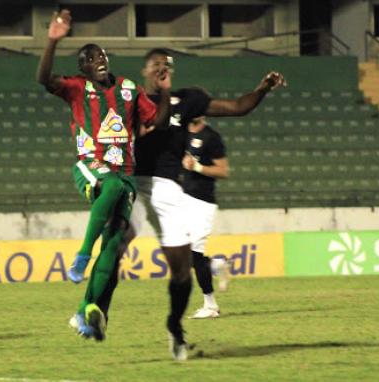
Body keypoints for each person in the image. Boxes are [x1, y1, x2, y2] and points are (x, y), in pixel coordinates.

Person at [91, 49, 286, 360]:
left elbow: (237, 107)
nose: (160, 69)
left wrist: (261, 89)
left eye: (165, 65)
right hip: (137, 185)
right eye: (155, 64)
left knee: (182, 271)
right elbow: (148, 128)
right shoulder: (132, 100)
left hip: (169, 190)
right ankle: (98, 310)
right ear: (145, 70)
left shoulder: (189, 99)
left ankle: (175, 329)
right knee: (115, 243)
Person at [36, 10, 171, 341]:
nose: (99, 59)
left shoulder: (128, 88)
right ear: (82, 67)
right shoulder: (77, 88)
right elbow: (44, 79)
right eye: (90, 58)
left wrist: (165, 90)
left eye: (101, 55)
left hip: (126, 173)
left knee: (113, 245)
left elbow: (157, 123)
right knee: (108, 186)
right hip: (90, 165)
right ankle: (82, 255)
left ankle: (85, 312)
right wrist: (53, 40)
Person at [181, 116, 229, 319]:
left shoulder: (211, 137)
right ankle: (215, 265)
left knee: (193, 252)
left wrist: (198, 167)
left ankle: (211, 306)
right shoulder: (182, 134)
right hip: (182, 199)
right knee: (185, 254)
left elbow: (223, 170)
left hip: (203, 202)